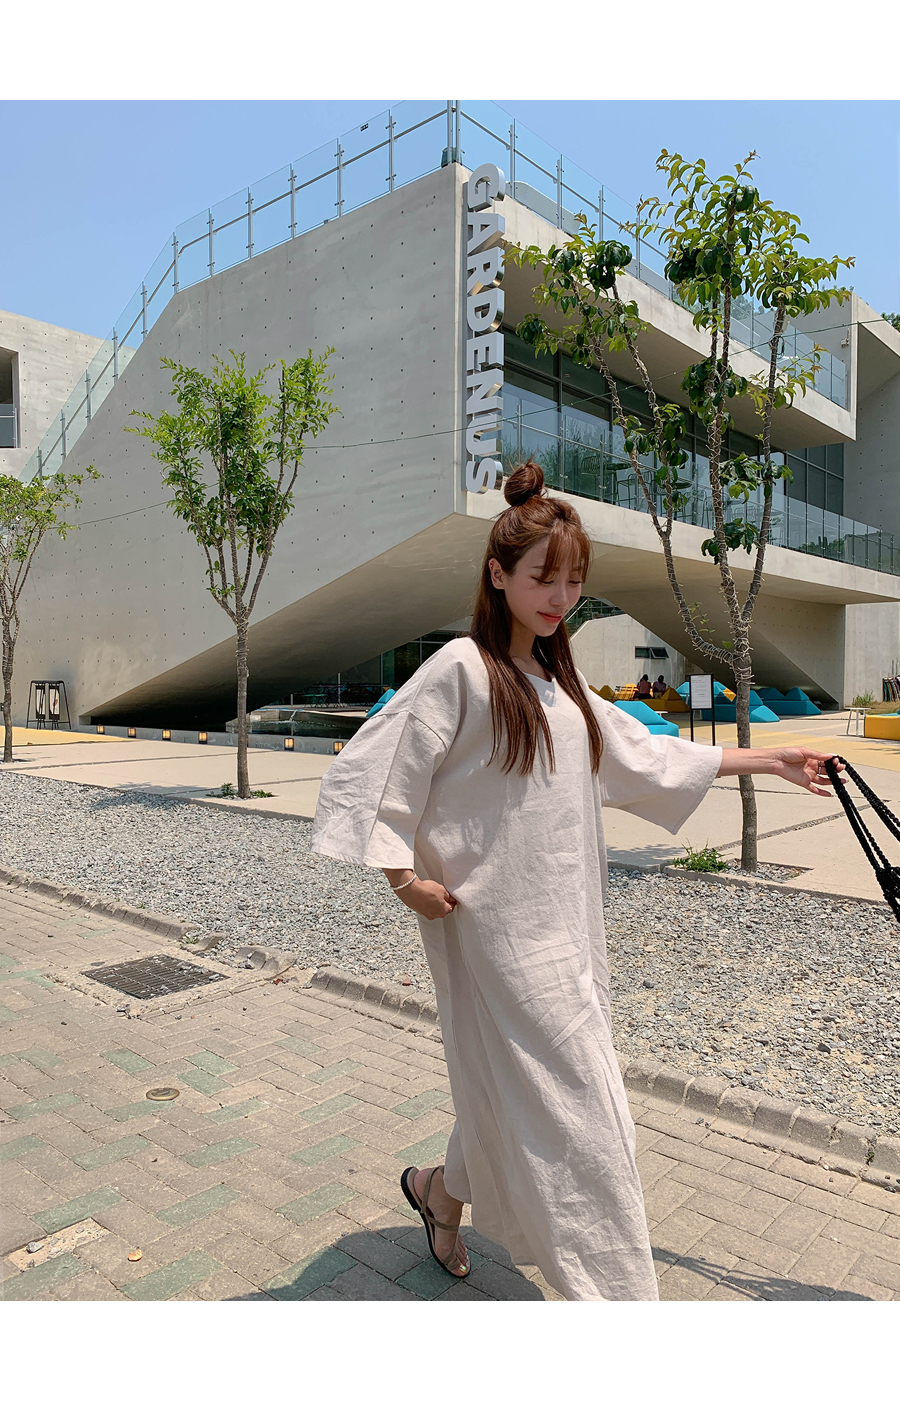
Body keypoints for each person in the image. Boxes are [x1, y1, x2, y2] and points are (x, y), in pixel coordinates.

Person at [310, 460, 843, 1301]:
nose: (561, 597)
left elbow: (645, 757)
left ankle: (438, 1193)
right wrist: (401, 876)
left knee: (513, 1088)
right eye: (542, 578)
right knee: (586, 1114)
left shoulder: (562, 686)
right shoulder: (461, 668)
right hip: (493, 933)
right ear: (498, 575)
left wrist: (773, 759)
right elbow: (378, 769)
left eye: (574, 581)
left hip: (568, 929)